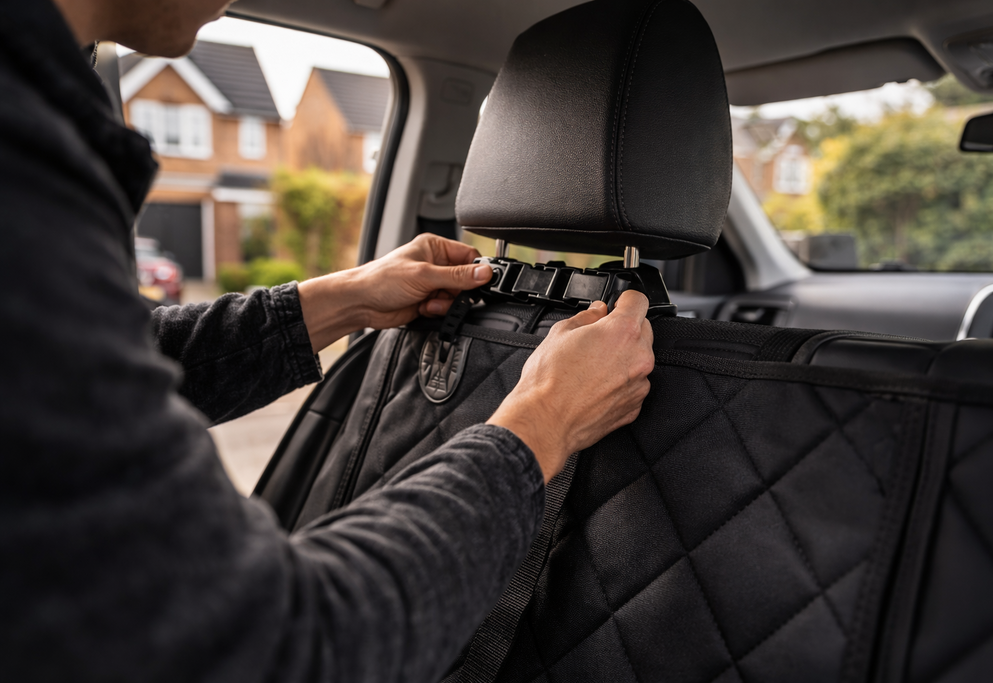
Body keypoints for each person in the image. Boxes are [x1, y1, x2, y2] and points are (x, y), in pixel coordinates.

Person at [0, 0, 655, 680]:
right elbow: (275, 648)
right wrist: (544, 419)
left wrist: (342, 299)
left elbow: (84, 371)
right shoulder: (24, 173)